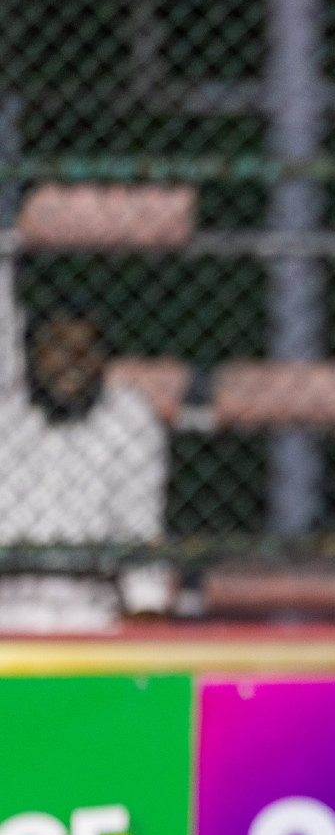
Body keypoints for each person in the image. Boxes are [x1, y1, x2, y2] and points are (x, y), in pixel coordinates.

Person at [0, 266, 170, 631]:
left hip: (91, 618)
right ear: (31, 353)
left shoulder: (128, 418)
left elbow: (139, 527)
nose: (73, 362)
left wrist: (146, 615)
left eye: (87, 347)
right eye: (57, 346)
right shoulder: (6, 412)